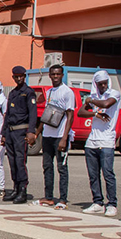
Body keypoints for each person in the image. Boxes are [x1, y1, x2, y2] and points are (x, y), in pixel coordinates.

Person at [78, 70, 121, 215]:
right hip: (92, 140)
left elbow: (107, 104)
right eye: (100, 84)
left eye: (105, 83)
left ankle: (112, 204)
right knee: (93, 174)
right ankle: (97, 202)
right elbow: (80, 112)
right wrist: (95, 113)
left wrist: (90, 101)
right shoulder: (94, 96)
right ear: (95, 84)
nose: (103, 86)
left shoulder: (114, 94)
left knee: (108, 173)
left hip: (107, 139)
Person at [35, 64, 75, 209]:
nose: (55, 77)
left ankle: (63, 199)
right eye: (53, 74)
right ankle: (49, 197)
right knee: (47, 166)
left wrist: (65, 137)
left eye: (58, 74)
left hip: (60, 136)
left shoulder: (67, 92)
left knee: (62, 167)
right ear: (50, 75)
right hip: (48, 135)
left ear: (62, 75)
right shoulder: (50, 92)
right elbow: (47, 115)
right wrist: (37, 133)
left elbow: (70, 115)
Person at [1, 66, 38, 204]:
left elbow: (33, 113)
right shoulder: (13, 93)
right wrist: (4, 133)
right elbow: (8, 115)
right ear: (13, 78)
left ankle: (23, 189)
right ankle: (15, 187)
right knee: (12, 161)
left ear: (24, 76)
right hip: (11, 131)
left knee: (20, 161)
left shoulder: (28, 93)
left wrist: (31, 132)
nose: (19, 79)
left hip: (21, 131)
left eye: (21, 76)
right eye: (16, 77)